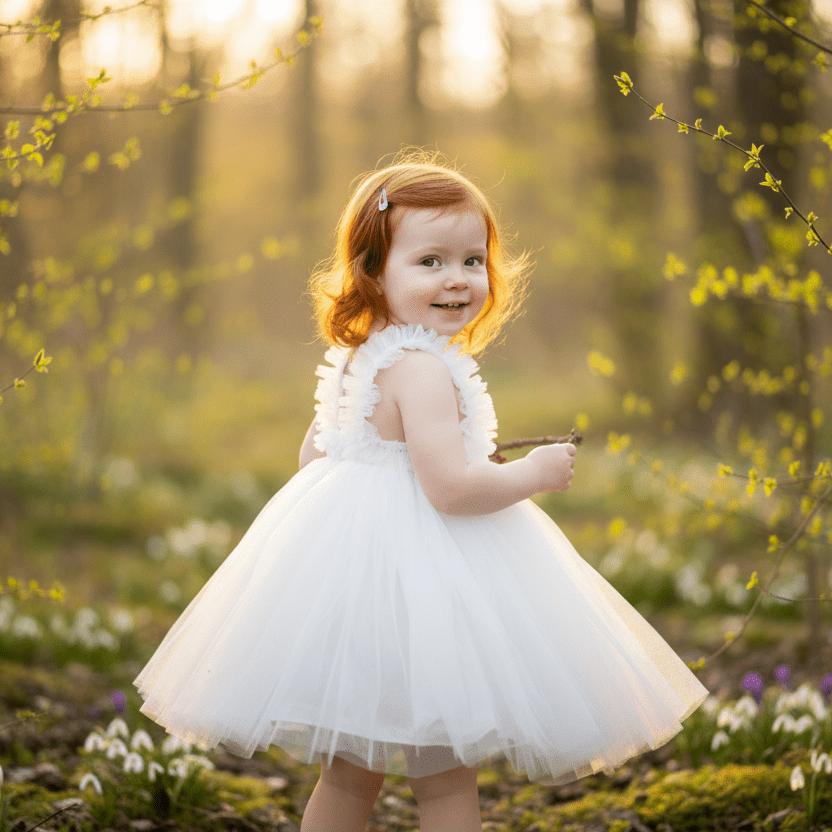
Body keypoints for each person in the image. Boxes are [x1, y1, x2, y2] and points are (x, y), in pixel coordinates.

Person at [135, 154, 707, 832]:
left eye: (472, 260)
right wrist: (535, 473)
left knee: (348, 776)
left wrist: (393, 471)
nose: (457, 278)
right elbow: (452, 491)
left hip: (355, 590)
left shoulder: (359, 359)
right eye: (430, 261)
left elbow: (314, 457)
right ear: (374, 272)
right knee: (444, 780)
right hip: (428, 592)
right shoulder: (423, 370)